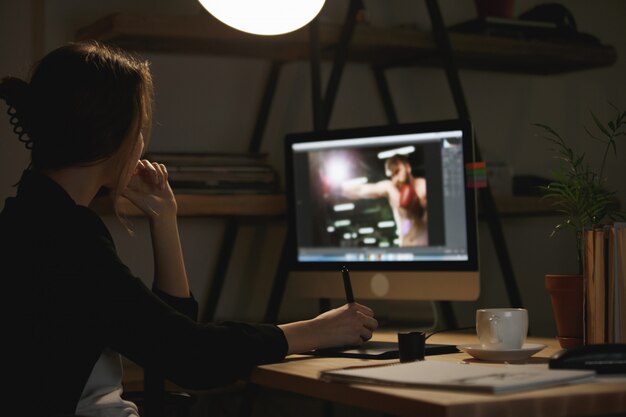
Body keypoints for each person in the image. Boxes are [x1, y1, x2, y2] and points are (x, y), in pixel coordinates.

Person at [0, 41, 377, 417]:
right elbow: (190, 358)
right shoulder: (65, 237)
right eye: (139, 127)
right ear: (113, 136)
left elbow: (165, 338)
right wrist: (315, 330)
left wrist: (164, 220)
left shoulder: (34, 217)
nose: (142, 142)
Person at [340, 154, 428, 247]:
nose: (395, 179)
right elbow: (361, 190)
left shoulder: (423, 187)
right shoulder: (391, 188)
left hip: (426, 249)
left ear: (408, 167)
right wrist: (338, 188)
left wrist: (422, 204)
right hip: (405, 248)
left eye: (397, 172)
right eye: (391, 176)